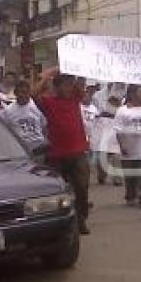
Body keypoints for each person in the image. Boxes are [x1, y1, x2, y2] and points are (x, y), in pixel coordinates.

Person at [33, 68, 91, 235]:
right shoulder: (48, 102)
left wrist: (71, 67)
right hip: (56, 155)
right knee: (57, 191)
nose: (69, 88)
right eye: (66, 85)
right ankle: (60, 223)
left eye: (71, 85)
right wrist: (48, 75)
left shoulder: (75, 99)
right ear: (57, 87)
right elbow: (33, 94)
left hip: (78, 153)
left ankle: (81, 219)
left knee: (82, 189)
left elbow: (80, 84)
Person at [114, 84, 141, 209]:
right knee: (130, 177)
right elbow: (118, 130)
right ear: (132, 94)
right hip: (128, 149)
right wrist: (122, 145)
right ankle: (131, 196)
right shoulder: (122, 111)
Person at [2, 80, 48, 157]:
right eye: (20, 92)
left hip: (39, 147)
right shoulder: (8, 111)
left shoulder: (37, 105)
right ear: (15, 93)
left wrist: (45, 140)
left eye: (25, 92)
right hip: (21, 150)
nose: (22, 95)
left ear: (29, 92)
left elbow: (45, 126)